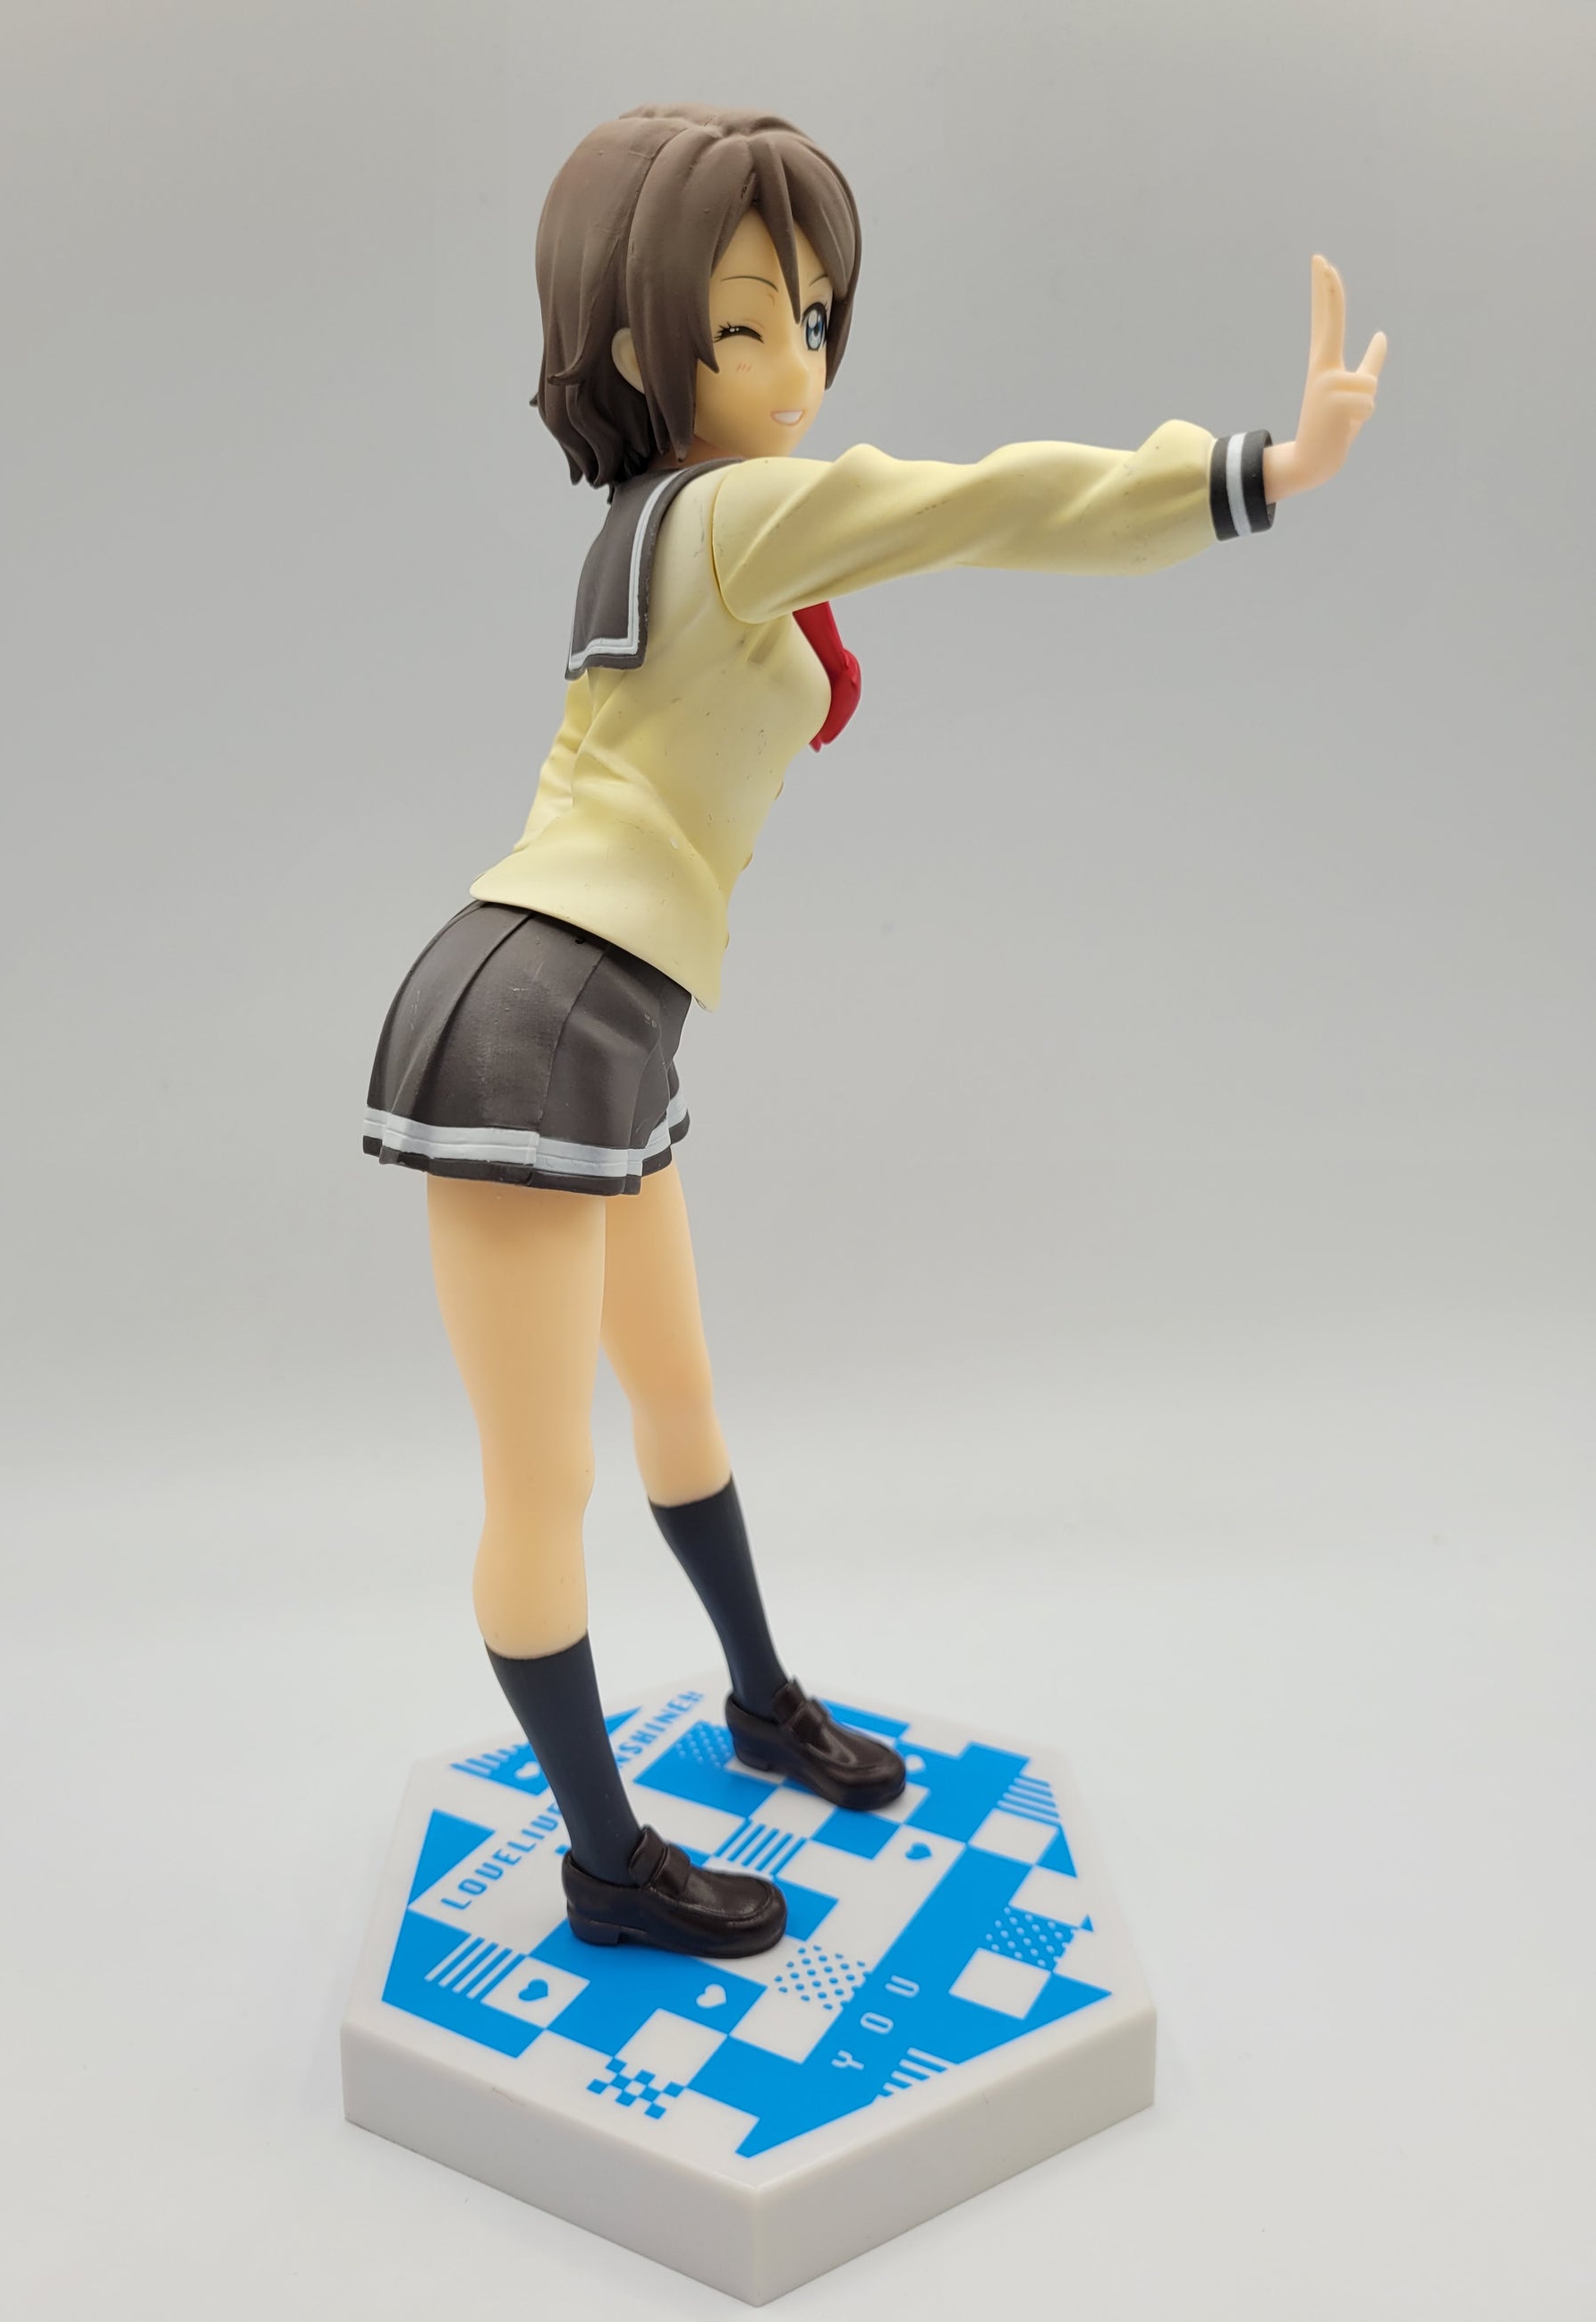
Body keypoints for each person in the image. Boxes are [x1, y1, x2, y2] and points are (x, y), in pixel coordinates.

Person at [363, 102, 1386, 1957]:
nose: (796, 368)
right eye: (743, 325)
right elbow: (979, 501)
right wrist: (1252, 472)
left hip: (611, 1011)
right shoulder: (730, 512)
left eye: (813, 319)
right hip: (534, 1017)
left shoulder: (662, 520)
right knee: (543, 1480)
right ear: (637, 351)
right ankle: (606, 1869)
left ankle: (759, 1702)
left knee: (677, 1398)